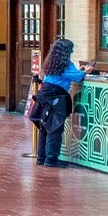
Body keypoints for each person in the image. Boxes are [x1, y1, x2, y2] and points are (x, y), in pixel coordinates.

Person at [31, 37, 85, 167]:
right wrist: (85, 70)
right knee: (55, 128)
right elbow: (78, 76)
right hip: (56, 98)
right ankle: (51, 159)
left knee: (44, 127)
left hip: (44, 94)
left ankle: (41, 157)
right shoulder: (65, 65)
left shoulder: (50, 63)